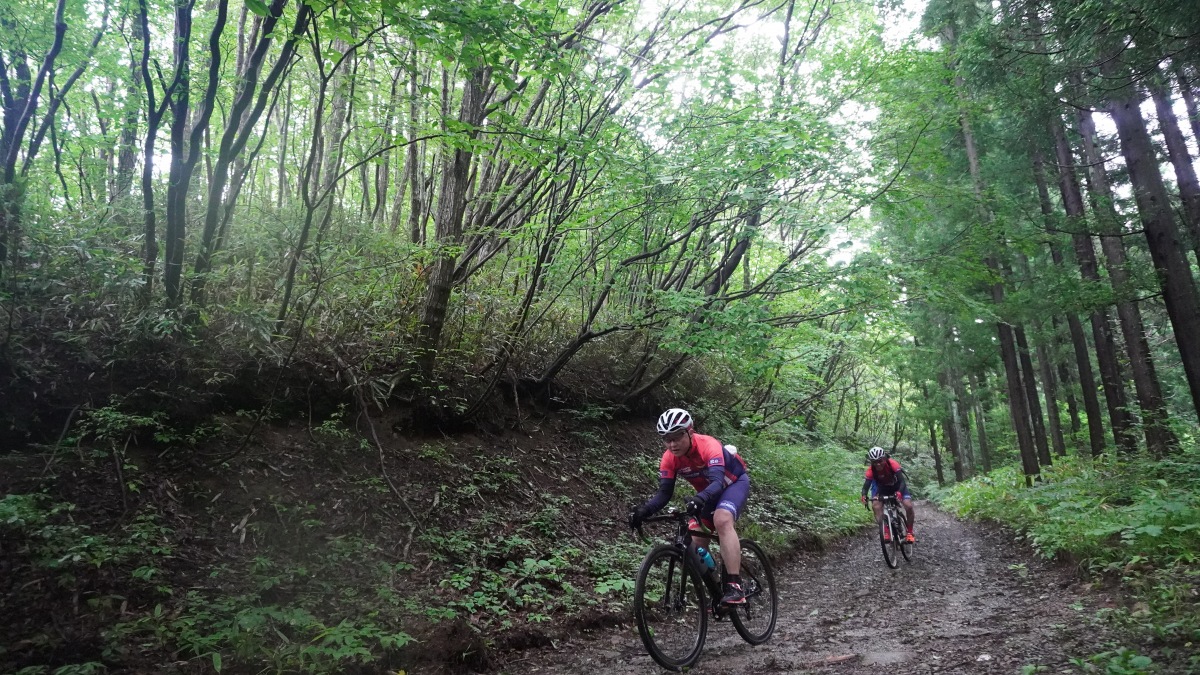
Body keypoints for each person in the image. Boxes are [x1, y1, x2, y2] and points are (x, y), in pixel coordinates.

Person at [628, 408, 751, 605]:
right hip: (707, 495)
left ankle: (734, 585)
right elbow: (664, 494)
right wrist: (643, 511)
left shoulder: (708, 445)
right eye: (667, 439)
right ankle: (717, 587)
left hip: (733, 484)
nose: (672, 444)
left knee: (722, 519)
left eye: (677, 437)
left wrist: (699, 499)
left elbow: (718, 482)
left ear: (690, 432)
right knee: (695, 545)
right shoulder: (669, 458)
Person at [860, 446, 915, 543]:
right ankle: (885, 530)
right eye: (874, 462)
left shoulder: (893, 464)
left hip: (898, 487)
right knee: (876, 506)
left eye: (880, 461)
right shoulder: (871, 471)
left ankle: (910, 532)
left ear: (884, 458)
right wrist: (864, 495)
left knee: (908, 506)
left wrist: (899, 492)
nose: (878, 464)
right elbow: (866, 486)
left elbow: (902, 481)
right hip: (883, 489)